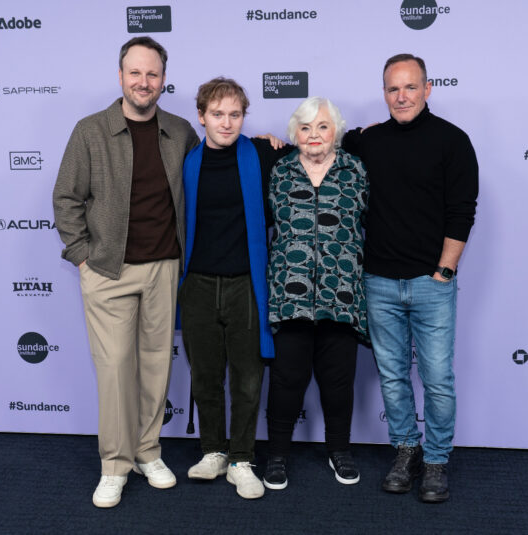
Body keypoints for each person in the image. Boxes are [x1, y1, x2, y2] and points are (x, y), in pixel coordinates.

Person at [52, 36, 199, 508]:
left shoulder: (180, 131)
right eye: (135, 73)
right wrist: (81, 256)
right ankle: (114, 465)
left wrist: (265, 144)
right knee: (115, 370)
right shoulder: (90, 131)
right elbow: (66, 198)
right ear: (120, 77)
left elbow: (213, 170)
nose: (143, 82)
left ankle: (148, 452)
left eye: (152, 74)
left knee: (156, 367)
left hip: (164, 269)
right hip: (108, 271)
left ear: (162, 80)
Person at [342, 54, 478, 503]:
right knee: (393, 377)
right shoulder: (367, 142)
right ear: (384, 92)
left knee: (437, 378)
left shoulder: (453, 141)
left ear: (428, 88)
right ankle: (406, 451)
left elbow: (462, 212)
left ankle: (436, 459)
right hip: (378, 282)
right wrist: (270, 143)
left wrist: (445, 270)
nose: (401, 96)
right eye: (392, 89)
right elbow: (319, 146)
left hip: (430, 283)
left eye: (409, 87)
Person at [179, 77, 293, 500]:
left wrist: (362, 134)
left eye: (235, 115)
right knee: (205, 376)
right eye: (217, 114)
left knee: (247, 378)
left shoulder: (262, 153)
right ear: (201, 116)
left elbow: (318, 153)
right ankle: (213, 451)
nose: (226, 123)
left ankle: (241, 459)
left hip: (247, 283)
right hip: (198, 284)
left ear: (244, 117)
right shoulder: (186, 160)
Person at [263, 97, 369, 491]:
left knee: (338, 381)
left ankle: (339, 449)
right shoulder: (279, 171)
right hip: (291, 295)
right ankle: (276, 455)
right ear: (295, 134)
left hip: (341, 296)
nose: (314, 135)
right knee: (287, 380)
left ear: (335, 132)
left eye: (322, 127)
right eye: (305, 128)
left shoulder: (356, 170)